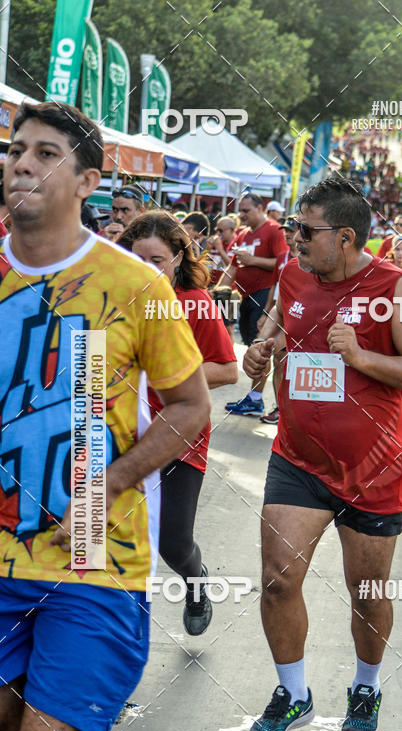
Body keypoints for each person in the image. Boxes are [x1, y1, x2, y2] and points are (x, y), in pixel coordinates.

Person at [0, 101, 210, 731]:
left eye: (44, 153)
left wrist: (112, 481)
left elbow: (191, 406)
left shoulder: (136, 285)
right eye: (16, 150)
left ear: (86, 181)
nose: (21, 163)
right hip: (1, 546)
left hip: (95, 552)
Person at [242, 177, 402, 731]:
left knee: (368, 590)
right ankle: (294, 692)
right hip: (298, 458)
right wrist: (263, 348)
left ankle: (366, 684)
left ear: (346, 237)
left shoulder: (395, 288)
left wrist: (359, 354)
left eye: (307, 230)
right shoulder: (293, 273)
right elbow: (279, 323)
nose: (296, 238)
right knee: (278, 581)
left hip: (373, 469)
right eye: (294, 227)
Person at [118, 212, 238, 634]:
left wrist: (164, 371)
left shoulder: (195, 303)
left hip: (179, 436)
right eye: (139, 259)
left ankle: (196, 580)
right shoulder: (114, 298)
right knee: (111, 541)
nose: (148, 268)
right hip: (120, 435)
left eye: (158, 259)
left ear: (178, 258)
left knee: (172, 542)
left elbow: (226, 370)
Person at [219, 192, 287, 415]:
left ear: (260, 208)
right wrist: (219, 289)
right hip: (244, 296)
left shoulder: (274, 231)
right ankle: (254, 397)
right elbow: (233, 266)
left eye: (246, 210)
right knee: (250, 345)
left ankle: (256, 398)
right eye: (240, 210)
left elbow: (282, 263)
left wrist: (254, 261)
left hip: (264, 294)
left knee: (259, 346)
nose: (242, 214)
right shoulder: (243, 234)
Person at [256, 215, 299, 425]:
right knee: (277, 360)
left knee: (288, 364)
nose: (289, 235)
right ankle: (279, 408)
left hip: (297, 315)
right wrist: (265, 313)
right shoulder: (282, 256)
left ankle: (289, 409)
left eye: (292, 231)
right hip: (278, 312)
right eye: (287, 232)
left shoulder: (310, 259)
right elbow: (275, 286)